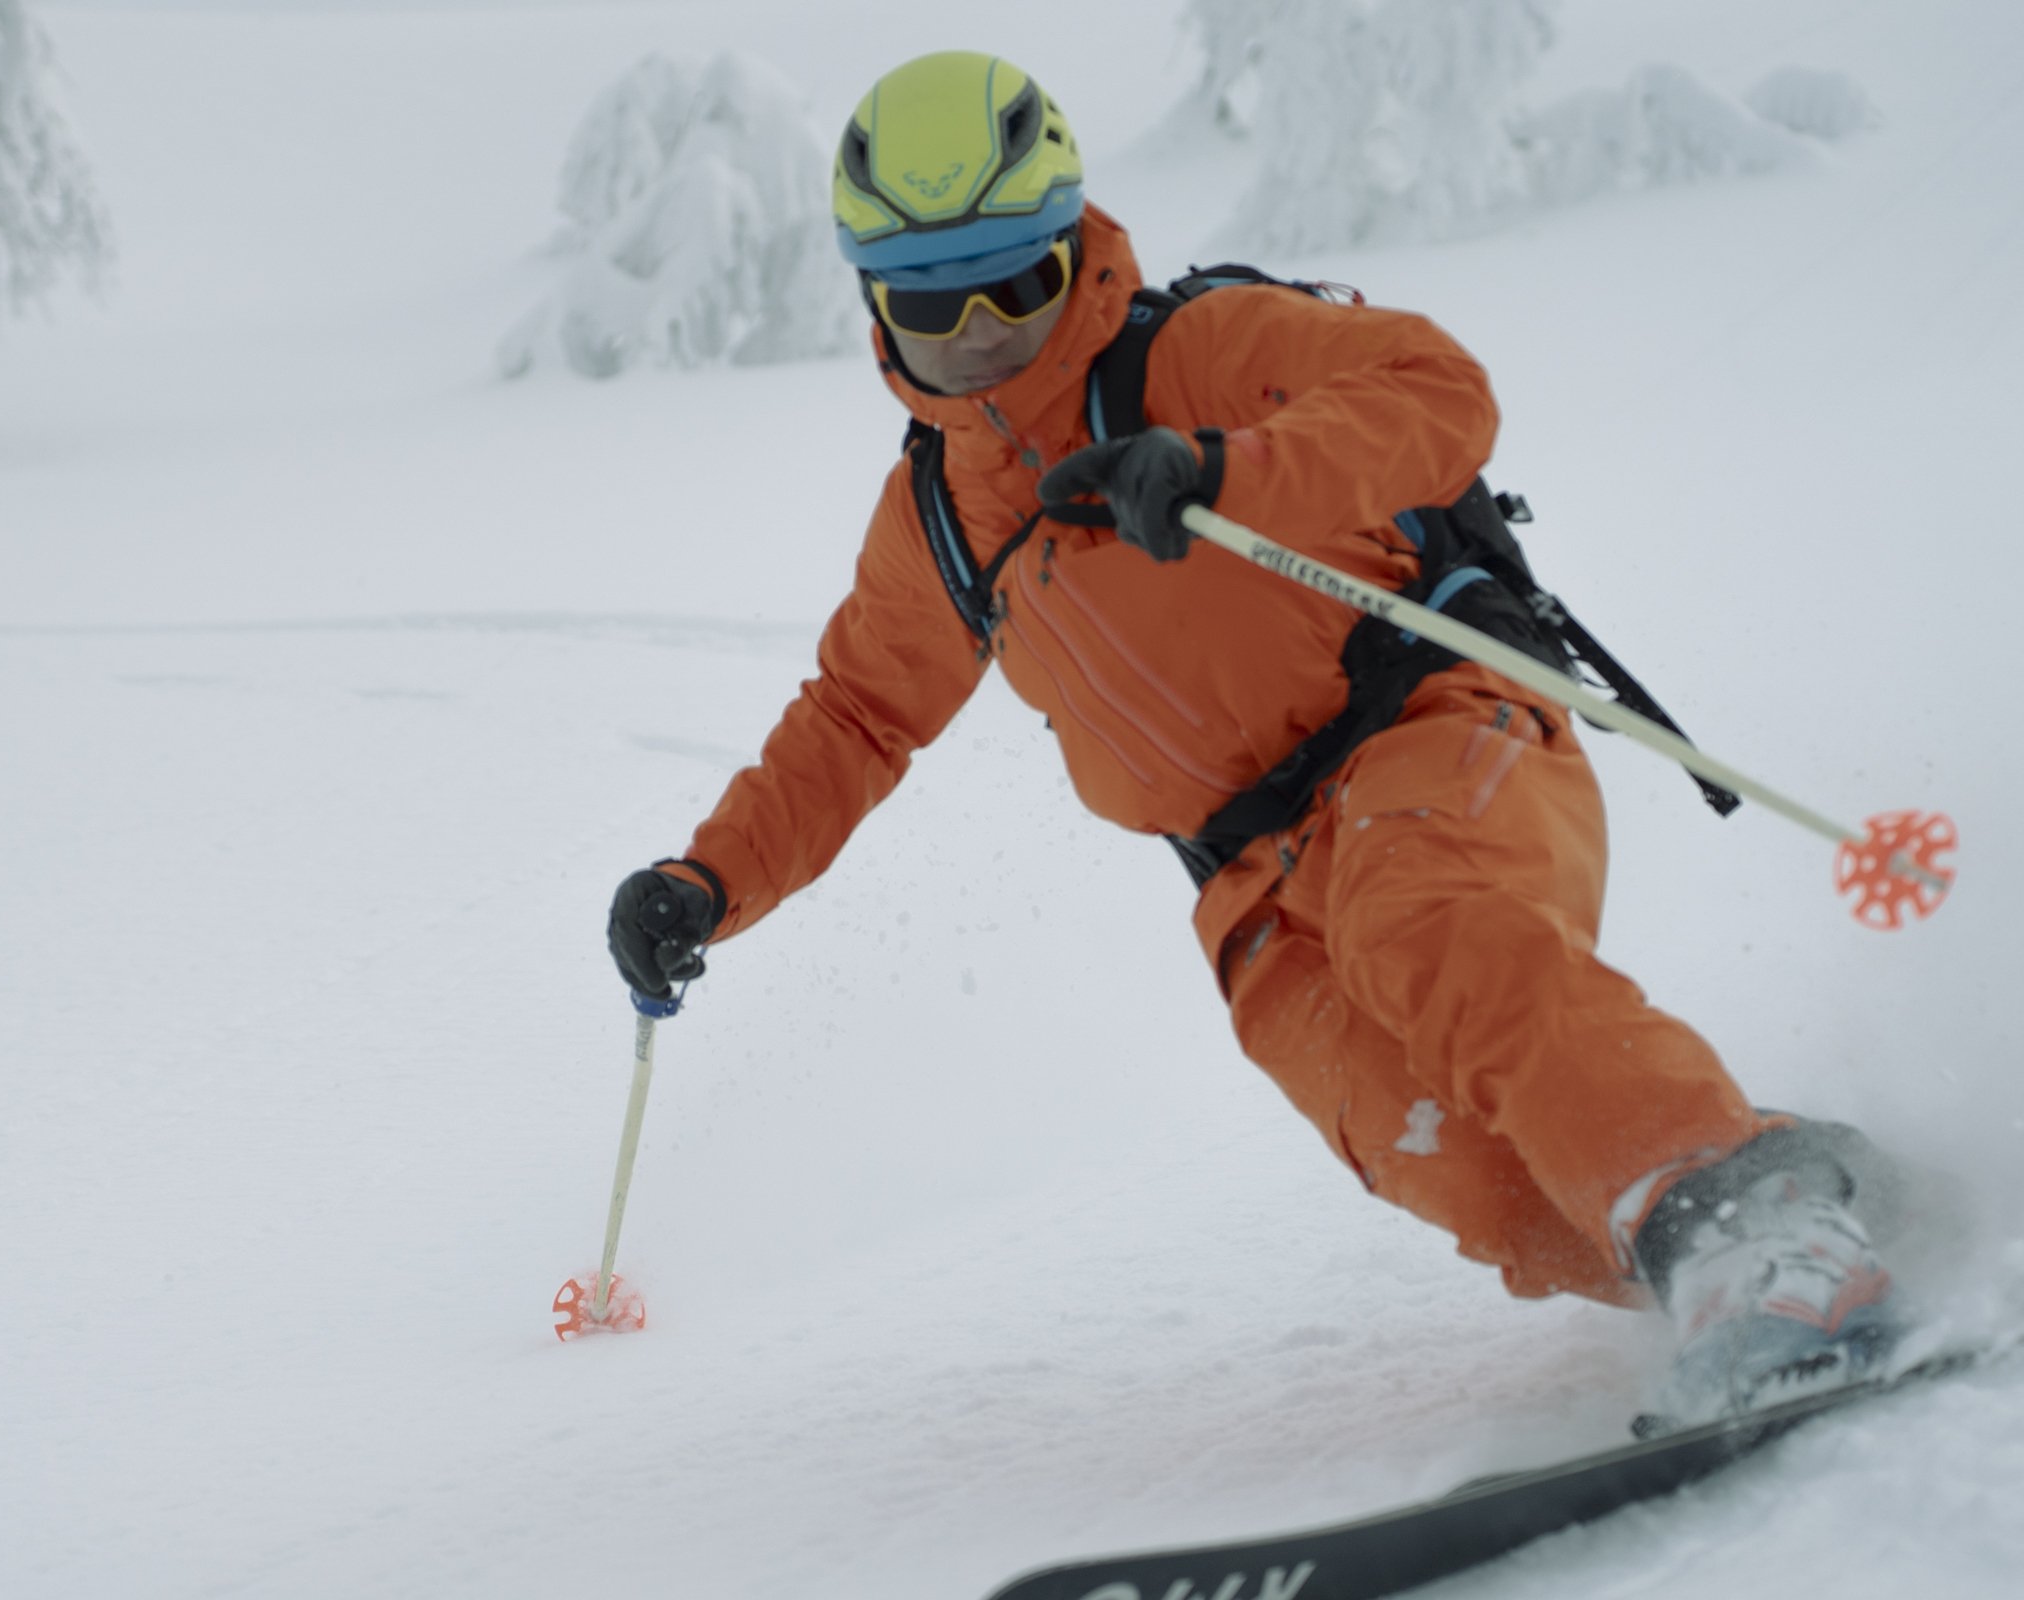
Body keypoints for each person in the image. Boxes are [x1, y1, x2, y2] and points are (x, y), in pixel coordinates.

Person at [605, 50, 1904, 1421]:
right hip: (1252, 881)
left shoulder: (1196, 353)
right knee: (1438, 1152)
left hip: (1424, 721)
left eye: (1019, 284)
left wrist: (1226, 471)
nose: (984, 330)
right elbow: (859, 714)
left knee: (1432, 926)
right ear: (876, 304)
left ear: (1073, 253)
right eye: (937, 299)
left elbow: (1435, 389)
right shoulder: (937, 521)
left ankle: (1758, 1238)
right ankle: (1731, 1217)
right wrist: (709, 881)